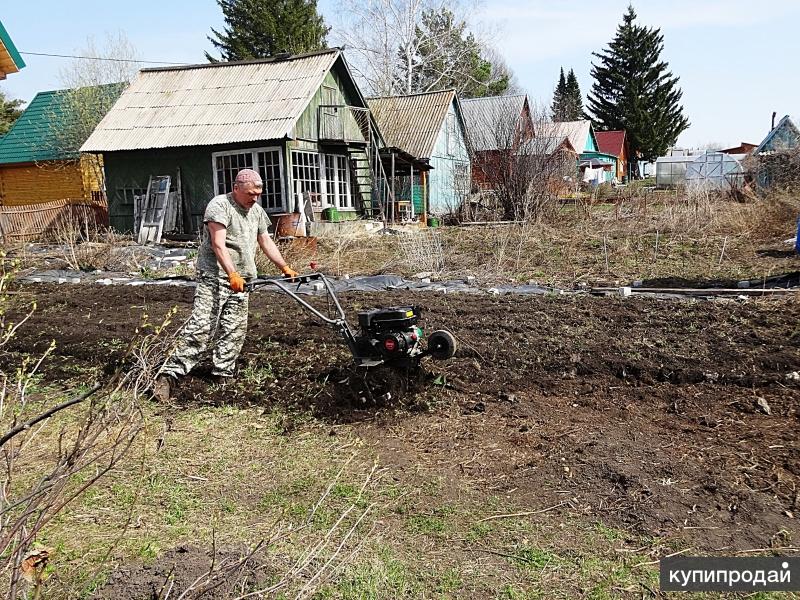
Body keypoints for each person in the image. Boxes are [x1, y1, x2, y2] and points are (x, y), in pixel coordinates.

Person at [154, 169, 298, 401]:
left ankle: (223, 374)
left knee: (234, 329)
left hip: (244, 280)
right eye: (251, 194)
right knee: (202, 327)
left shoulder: (256, 211)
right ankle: (169, 375)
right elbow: (217, 244)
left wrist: (284, 267)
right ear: (236, 188)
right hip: (216, 276)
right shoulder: (220, 206)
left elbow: (265, 241)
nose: (255, 198)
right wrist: (232, 273)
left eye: (259, 194)